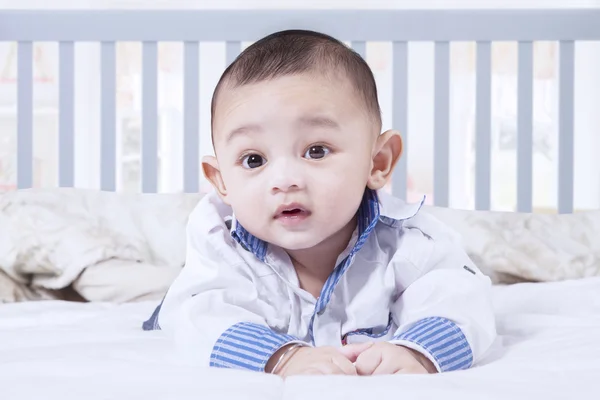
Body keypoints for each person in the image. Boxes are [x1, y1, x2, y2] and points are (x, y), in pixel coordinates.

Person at [143, 29, 496, 377]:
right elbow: (198, 314)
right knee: (174, 305)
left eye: (316, 151)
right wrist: (280, 358)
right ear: (221, 181)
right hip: (194, 301)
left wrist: (415, 352)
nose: (285, 180)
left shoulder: (410, 241)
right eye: (254, 160)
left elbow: (461, 298)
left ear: (377, 162)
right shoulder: (219, 240)